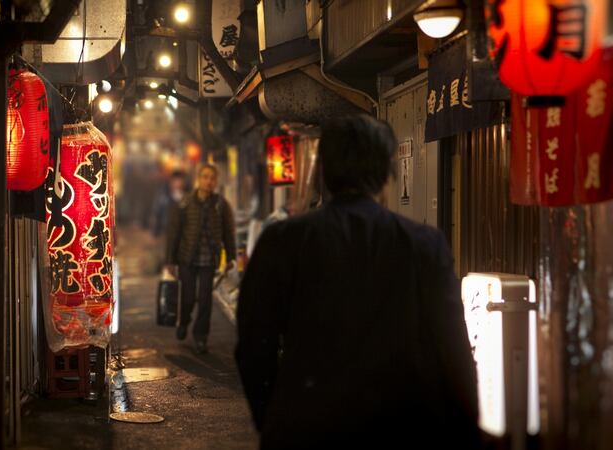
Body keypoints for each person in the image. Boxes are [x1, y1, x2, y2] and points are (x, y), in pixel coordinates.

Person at [235, 115, 480, 449]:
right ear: (385, 175)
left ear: (323, 173)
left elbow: (253, 343)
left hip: (305, 426)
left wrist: (273, 415)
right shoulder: (423, 244)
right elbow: (453, 351)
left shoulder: (282, 240)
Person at [165, 163, 236, 354]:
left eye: (212, 178)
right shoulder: (185, 203)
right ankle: (184, 321)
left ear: (216, 182)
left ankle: (200, 337)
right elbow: (174, 233)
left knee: (205, 300)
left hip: (208, 260)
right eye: (205, 177)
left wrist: (230, 257)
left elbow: (228, 232)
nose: (208, 181)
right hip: (187, 258)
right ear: (198, 179)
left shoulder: (221, 204)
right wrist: (170, 260)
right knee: (187, 297)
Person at [150, 170, 187, 238]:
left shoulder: (187, 197)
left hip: (181, 232)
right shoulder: (163, 195)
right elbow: (157, 213)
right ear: (171, 182)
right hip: (165, 230)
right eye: (176, 181)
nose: (178, 183)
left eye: (180, 181)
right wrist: (155, 232)